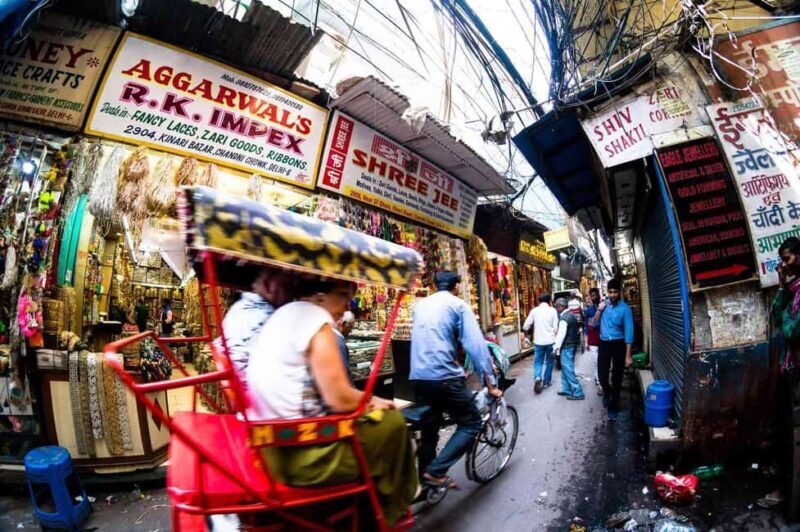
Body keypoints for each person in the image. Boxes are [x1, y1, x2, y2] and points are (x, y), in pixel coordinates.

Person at [246, 277, 416, 526]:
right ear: (320, 294)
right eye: (343, 296)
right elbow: (339, 398)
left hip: (273, 447)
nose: (347, 306)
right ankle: (387, 509)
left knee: (383, 418)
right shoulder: (315, 319)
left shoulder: (285, 313)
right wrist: (373, 401)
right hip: (304, 456)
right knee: (393, 422)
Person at [410, 271, 501, 488]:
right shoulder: (458, 305)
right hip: (444, 377)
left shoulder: (420, 306)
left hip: (418, 376)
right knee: (471, 423)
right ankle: (435, 472)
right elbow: (476, 345)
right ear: (456, 287)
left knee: (430, 428)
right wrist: (490, 382)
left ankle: (426, 483)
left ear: (434, 285)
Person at [216, 269, 296, 387]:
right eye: (287, 287)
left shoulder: (240, 307)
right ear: (267, 285)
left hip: (241, 381)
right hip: (254, 388)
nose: (292, 295)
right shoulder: (268, 317)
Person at [771, 237, 800, 517]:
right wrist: (781, 286)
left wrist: (786, 321)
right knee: (783, 429)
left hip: (797, 369)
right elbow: (775, 316)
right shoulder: (791, 289)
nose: (784, 264)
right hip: (788, 367)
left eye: (788, 258)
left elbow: (791, 331)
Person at [594, 278, 634, 421]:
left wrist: (628, 356)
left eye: (615, 292)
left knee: (617, 377)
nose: (613, 295)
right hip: (604, 344)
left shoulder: (625, 309)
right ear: (607, 292)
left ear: (619, 292)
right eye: (610, 292)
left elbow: (629, 333)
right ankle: (607, 391)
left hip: (619, 344)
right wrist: (599, 309)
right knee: (602, 375)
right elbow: (594, 324)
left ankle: (613, 406)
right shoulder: (603, 306)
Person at [522, 293, 559, 394]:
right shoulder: (553, 311)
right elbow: (556, 328)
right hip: (550, 341)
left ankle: (538, 377)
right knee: (549, 361)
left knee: (538, 361)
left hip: (538, 341)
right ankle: (546, 382)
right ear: (549, 301)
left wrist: (526, 335)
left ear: (539, 301)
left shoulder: (535, 311)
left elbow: (526, 326)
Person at [555, 298, 585, 401]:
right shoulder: (571, 315)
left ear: (561, 307)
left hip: (566, 346)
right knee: (565, 368)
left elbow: (560, 336)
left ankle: (578, 391)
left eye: (557, 306)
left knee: (568, 369)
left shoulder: (564, 318)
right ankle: (566, 388)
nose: (556, 308)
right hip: (571, 345)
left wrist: (556, 348)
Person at [584, 288, 602, 394]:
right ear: (590, 297)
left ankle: (599, 377)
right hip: (593, 337)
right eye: (592, 296)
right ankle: (599, 381)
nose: (594, 297)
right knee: (596, 361)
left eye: (596, 295)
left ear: (599, 295)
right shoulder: (588, 310)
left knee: (602, 360)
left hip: (603, 337)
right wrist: (586, 341)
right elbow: (586, 326)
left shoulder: (603, 307)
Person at [334, 311, 356, 381]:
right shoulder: (339, 343)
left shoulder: (331, 336)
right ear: (343, 324)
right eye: (350, 327)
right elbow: (344, 372)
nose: (351, 331)